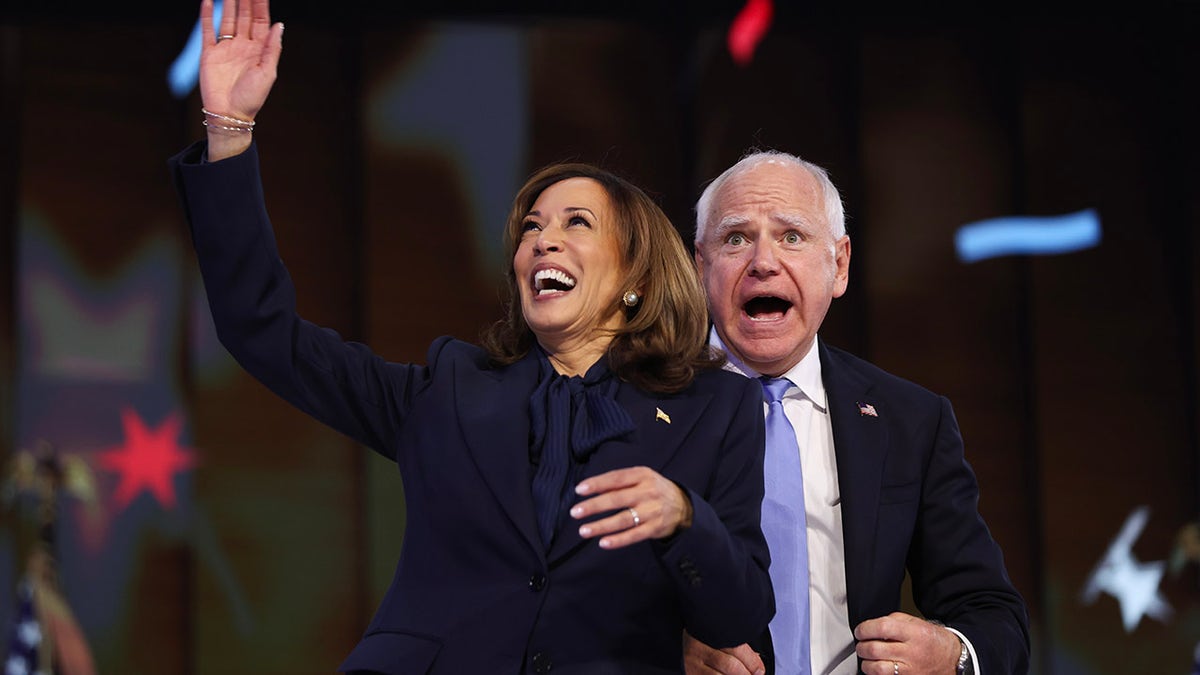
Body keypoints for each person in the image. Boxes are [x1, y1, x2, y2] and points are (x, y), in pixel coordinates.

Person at [167, 1, 774, 673]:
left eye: (576, 223)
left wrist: (684, 514)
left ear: (635, 275)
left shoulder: (717, 409)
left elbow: (740, 611)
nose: (543, 238)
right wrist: (230, 131)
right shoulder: (448, 388)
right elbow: (262, 330)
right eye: (531, 227)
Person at [684, 151, 1030, 675]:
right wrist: (666, 651)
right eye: (735, 238)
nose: (763, 261)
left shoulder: (911, 419)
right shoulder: (639, 402)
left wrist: (950, 654)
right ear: (699, 266)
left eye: (792, 236)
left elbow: (993, 616)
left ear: (839, 265)